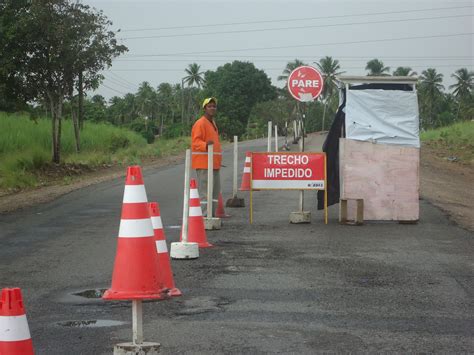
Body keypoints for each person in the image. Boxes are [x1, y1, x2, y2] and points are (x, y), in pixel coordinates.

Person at [191, 97, 222, 217]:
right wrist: (205, 145)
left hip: (214, 164)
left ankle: (212, 216)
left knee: (214, 193)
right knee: (205, 193)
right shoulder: (200, 123)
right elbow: (195, 142)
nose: (212, 108)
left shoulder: (212, 123)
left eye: (214, 106)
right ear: (204, 108)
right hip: (204, 164)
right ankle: (204, 217)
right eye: (209, 106)